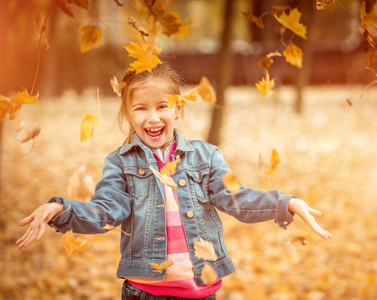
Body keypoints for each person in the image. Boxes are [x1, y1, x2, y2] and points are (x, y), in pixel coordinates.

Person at [17, 63, 331, 300]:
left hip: (202, 288)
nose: (152, 118)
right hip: (145, 291)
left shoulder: (205, 156)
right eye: (141, 109)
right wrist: (62, 209)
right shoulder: (121, 163)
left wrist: (285, 203)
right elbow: (106, 211)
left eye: (162, 106)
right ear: (128, 114)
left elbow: (237, 198)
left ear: (177, 109)